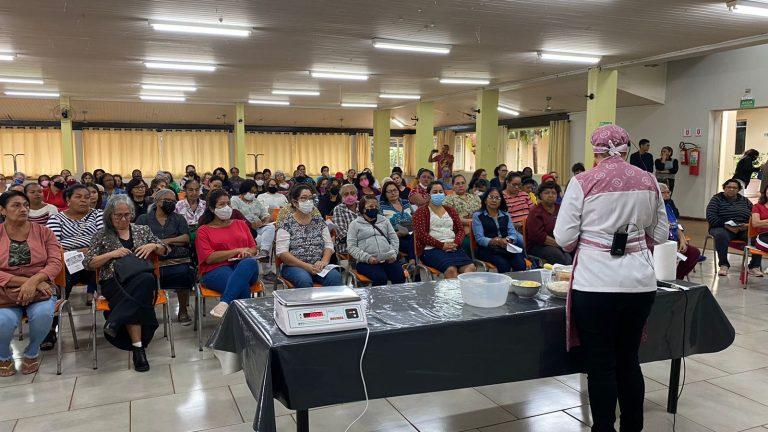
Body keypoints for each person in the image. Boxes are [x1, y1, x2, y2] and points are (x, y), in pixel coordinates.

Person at [554, 125, 669, 432]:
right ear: (628, 147)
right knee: (629, 359)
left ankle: (603, 427)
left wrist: (595, 238)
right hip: (640, 283)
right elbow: (660, 233)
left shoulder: (582, 182)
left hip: (595, 284)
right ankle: (633, 427)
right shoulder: (649, 181)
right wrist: (632, 237)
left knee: (601, 363)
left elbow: (564, 237)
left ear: (596, 151)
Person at [84, 195, 168, 372]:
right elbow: (89, 263)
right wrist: (111, 254)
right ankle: (139, 350)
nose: (123, 219)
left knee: (145, 280)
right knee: (143, 288)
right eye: (118, 215)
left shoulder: (142, 230)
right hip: (114, 282)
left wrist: (153, 245)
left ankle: (118, 324)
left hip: (141, 279)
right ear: (109, 216)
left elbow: (165, 250)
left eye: (127, 215)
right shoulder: (101, 235)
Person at [0, 191, 62, 377]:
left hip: (40, 288)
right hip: (5, 290)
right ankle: (3, 356)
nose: (23, 209)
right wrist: (26, 282)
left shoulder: (44, 232)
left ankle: (32, 352)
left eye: (25, 205)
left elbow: (55, 262)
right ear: (2, 210)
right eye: (16, 205)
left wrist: (35, 281)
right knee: (3, 321)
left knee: (43, 314)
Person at [196, 189, 261, 318]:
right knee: (241, 287)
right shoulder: (203, 230)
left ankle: (224, 302)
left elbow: (253, 248)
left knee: (249, 263)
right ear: (212, 208)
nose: (226, 207)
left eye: (228, 204)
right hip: (216, 269)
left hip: (244, 266)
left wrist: (247, 252)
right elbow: (209, 258)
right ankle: (244, 328)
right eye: (221, 204)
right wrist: (236, 251)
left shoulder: (240, 224)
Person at [136, 189, 194, 323]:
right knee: (142, 278)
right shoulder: (144, 219)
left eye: (173, 201)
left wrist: (163, 242)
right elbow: (138, 240)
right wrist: (172, 239)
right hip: (151, 260)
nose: (170, 203)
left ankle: (183, 311)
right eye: (167, 201)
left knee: (184, 272)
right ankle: (148, 312)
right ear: (157, 201)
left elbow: (185, 237)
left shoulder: (178, 218)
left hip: (175, 259)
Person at [46, 185, 102, 306]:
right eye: (78, 197)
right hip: (67, 263)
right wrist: (79, 253)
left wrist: (90, 251)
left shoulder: (98, 215)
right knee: (64, 271)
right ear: (68, 200)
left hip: (94, 263)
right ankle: (54, 311)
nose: (84, 200)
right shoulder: (56, 219)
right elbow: (53, 246)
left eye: (87, 197)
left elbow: (104, 239)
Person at [276, 185, 342, 287]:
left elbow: (329, 245)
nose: (308, 201)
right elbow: (282, 253)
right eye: (303, 198)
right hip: (295, 266)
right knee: (304, 280)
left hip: (318, 265)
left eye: (310, 198)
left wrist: (323, 262)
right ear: (295, 202)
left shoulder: (319, 221)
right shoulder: (286, 223)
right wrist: (306, 266)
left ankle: (330, 303)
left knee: (335, 277)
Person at [413, 181, 476, 278]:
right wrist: (442, 245)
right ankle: (451, 293)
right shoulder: (421, 212)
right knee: (451, 270)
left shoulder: (450, 210)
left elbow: (460, 230)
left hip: (453, 247)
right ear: (428, 195)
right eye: (434, 192)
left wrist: (456, 243)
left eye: (440, 191)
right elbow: (421, 235)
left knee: (471, 268)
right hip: (431, 249)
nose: (438, 194)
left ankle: (464, 293)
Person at [707, 178, 761, 276]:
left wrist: (748, 225)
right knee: (721, 235)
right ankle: (724, 265)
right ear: (724, 188)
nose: (732, 189)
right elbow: (711, 217)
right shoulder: (716, 199)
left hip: (742, 228)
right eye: (729, 187)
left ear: (739, 189)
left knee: (757, 237)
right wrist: (726, 225)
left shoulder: (744, 200)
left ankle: (754, 266)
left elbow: (755, 214)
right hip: (722, 227)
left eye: (735, 188)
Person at [347, 195, 406, 286]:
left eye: (376, 206)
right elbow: (351, 247)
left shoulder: (384, 221)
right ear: (363, 209)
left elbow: (394, 239)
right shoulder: (354, 224)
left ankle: (396, 300)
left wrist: (393, 253)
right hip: (366, 262)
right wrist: (368, 258)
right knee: (380, 278)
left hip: (387, 258)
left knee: (399, 276)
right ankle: (378, 300)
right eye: (370, 207)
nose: (374, 208)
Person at [471, 187, 527, 272]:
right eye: (491, 197)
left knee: (520, 263)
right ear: (485, 200)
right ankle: (504, 285)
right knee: (503, 265)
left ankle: (517, 284)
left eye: (497, 198)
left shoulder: (505, 215)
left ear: (501, 201)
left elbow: (513, 234)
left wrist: (507, 240)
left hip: (506, 247)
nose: (494, 200)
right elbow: (480, 239)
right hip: (487, 249)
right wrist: (496, 241)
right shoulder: (478, 216)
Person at [659, 183, 700, 279]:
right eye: (663, 193)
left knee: (694, 253)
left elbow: (676, 224)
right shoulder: (652, 207)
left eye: (668, 192)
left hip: (675, 240)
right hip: (663, 242)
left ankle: (678, 278)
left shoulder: (669, 205)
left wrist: (682, 239)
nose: (667, 194)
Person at [525, 182, 572, 265]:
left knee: (574, 253)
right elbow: (539, 236)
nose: (551, 195)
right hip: (539, 245)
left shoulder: (561, 209)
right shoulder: (535, 212)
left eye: (554, 193)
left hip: (560, 243)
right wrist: (560, 245)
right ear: (540, 195)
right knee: (559, 256)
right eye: (546, 193)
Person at [231, 180, 276, 257]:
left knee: (270, 228)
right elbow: (236, 216)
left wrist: (265, 222)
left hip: (258, 227)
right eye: (251, 192)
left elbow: (265, 215)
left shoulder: (256, 201)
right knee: (263, 240)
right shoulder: (235, 200)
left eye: (255, 192)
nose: (253, 194)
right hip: (244, 229)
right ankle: (262, 258)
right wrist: (250, 224)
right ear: (244, 190)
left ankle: (264, 252)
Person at [444, 174, 481, 253]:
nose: (460, 185)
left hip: (479, 228)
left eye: (463, 183)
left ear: (466, 184)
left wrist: (470, 221)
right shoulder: (449, 199)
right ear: (453, 186)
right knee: (468, 242)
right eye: (457, 184)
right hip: (461, 231)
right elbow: (452, 218)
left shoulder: (475, 197)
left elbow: (482, 213)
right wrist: (472, 222)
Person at [380, 180, 415, 263]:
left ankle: (411, 263)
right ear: (385, 194)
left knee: (414, 239)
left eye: (395, 190)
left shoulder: (406, 202)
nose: (393, 193)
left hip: (411, 233)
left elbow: (414, 218)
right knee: (411, 244)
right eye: (390, 191)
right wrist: (397, 234)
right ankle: (412, 262)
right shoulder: (382, 206)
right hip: (394, 237)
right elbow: (381, 227)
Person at [332, 184, 361, 255]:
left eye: (352, 193)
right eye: (346, 194)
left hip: (366, 244)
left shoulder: (362, 205)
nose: (350, 196)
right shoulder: (338, 209)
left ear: (356, 194)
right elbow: (342, 233)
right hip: (347, 247)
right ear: (342, 196)